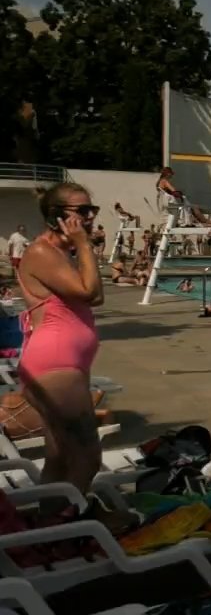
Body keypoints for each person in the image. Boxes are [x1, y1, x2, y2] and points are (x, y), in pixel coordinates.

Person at [14, 184, 104, 498]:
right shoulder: (41, 252)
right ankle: (64, 532)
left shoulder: (62, 254)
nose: (89, 217)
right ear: (55, 216)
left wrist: (81, 247)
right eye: (80, 211)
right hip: (55, 366)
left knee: (59, 457)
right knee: (87, 459)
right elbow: (87, 292)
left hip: (65, 366)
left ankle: (44, 534)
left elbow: (97, 297)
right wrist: (84, 244)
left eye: (91, 209)